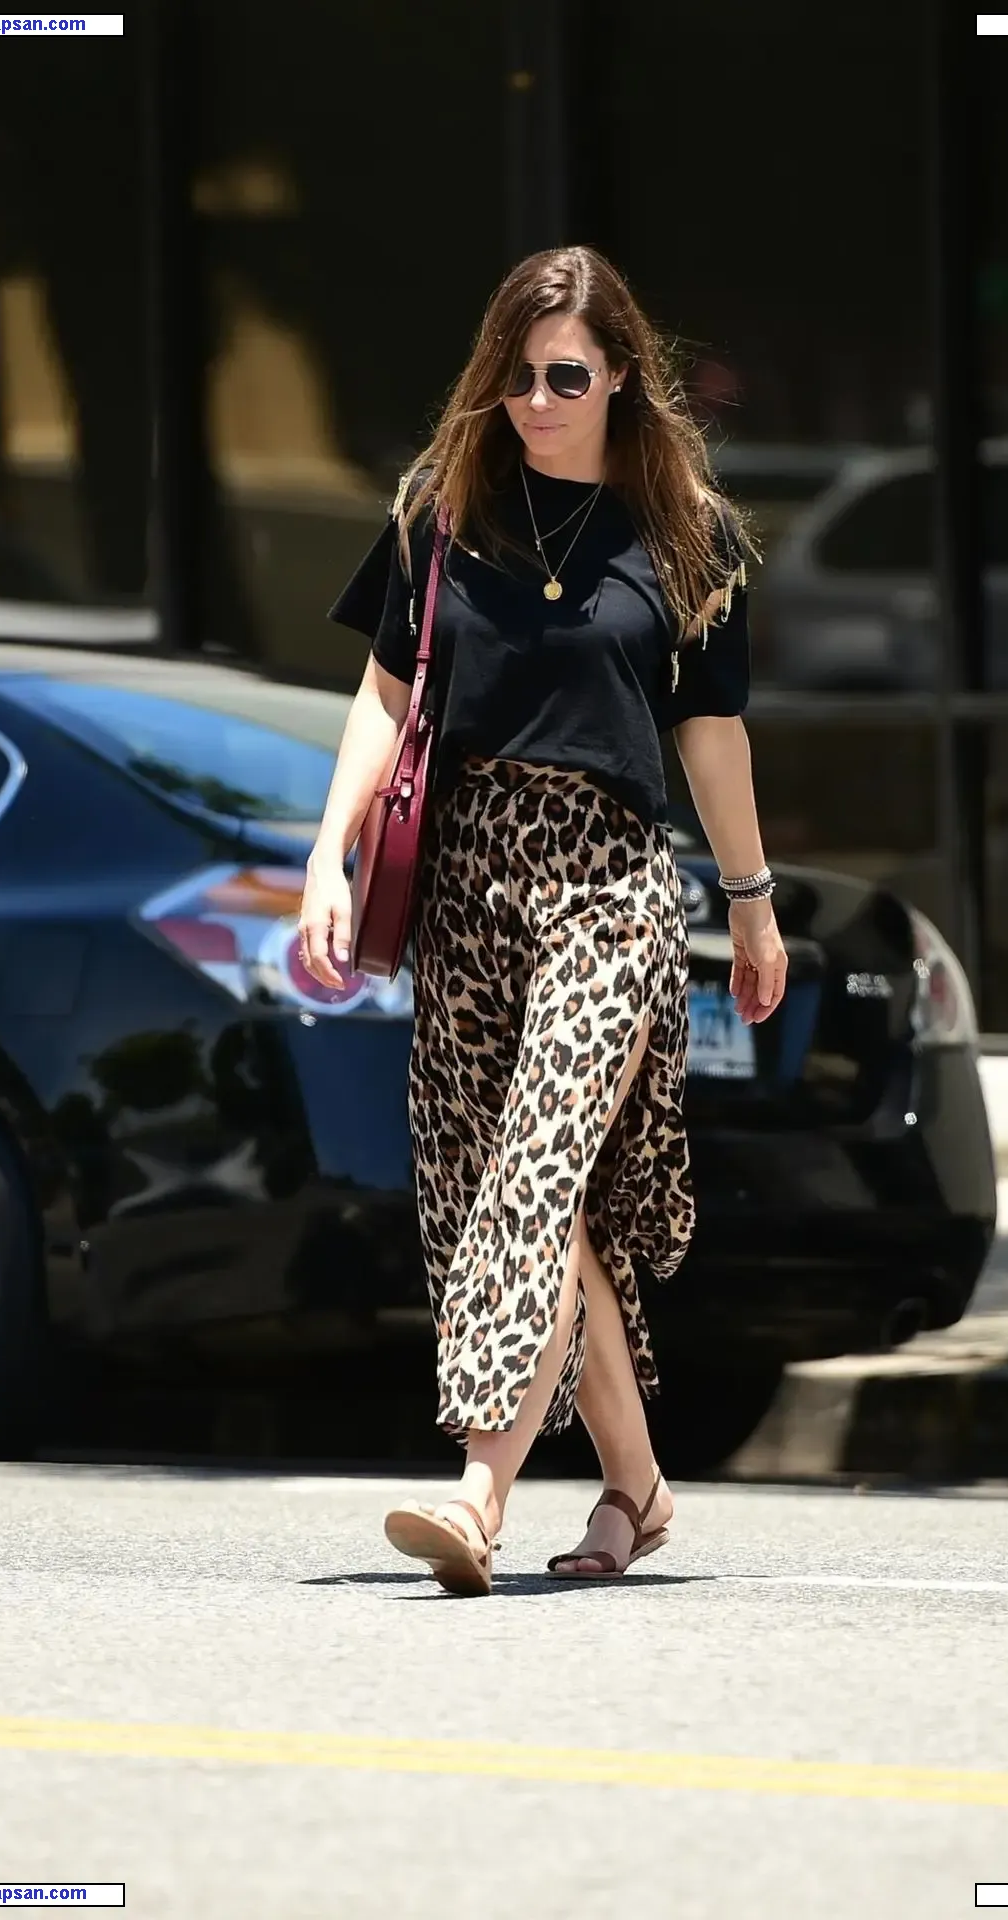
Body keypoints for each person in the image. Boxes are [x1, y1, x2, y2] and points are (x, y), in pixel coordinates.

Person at [300, 244, 787, 1597]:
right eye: (515, 376)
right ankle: (637, 1491)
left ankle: (479, 1493)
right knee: (515, 1203)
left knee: (536, 1168)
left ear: (620, 374)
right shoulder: (442, 505)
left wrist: (751, 906)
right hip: (466, 886)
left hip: (610, 888)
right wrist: (326, 857)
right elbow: (387, 694)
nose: (535, 401)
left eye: (565, 376)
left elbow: (712, 735)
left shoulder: (687, 531)